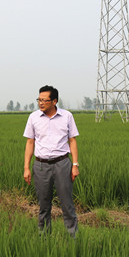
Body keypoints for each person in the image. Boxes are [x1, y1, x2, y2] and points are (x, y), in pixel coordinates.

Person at [23, 85, 80, 237]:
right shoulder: (33, 117)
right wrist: (26, 168)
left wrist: (75, 165)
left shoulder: (67, 116)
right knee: (43, 205)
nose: (41, 103)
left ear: (54, 101)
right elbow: (30, 142)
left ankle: (73, 239)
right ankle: (44, 238)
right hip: (41, 165)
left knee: (67, 204)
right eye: (39, 100)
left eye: (44, 100)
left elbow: (72, 141)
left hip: (62, 164)